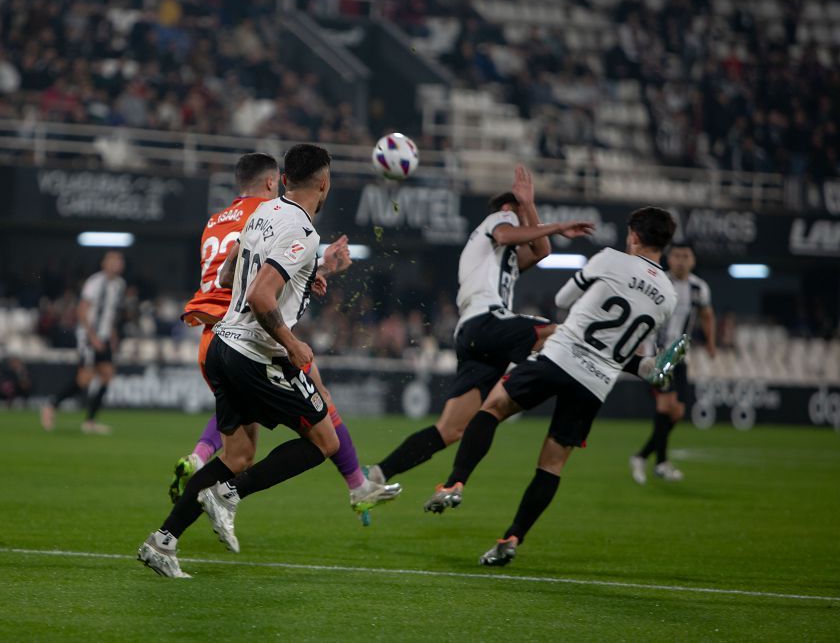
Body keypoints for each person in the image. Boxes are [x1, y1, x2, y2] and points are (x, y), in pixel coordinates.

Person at [423, 207, 684, 568]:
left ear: (634, 236)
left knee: (492, 409)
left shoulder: (611, 259)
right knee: (553, 464)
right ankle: (512, 538)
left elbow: (562, 300)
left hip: (559, 357)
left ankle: (455, 483)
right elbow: (633, 351)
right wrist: (648, 369)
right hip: (596, 382)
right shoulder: (669, 297)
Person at [137, 144, 348, 578]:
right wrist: (292, 343)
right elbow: (258, 294)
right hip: (257, 354)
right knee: (326, 441)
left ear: (285, 179)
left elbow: (229, 275)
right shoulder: (303, 231)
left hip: (220, 345)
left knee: (237, 454)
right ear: (324, 183)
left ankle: (162, 541)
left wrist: (307, 280)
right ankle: (228, 495)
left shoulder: (262, 214)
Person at [169, 152, 400, 524]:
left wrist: (313, 271)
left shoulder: (219, 220)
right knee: (315, 409)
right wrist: (317, 271)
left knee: (244, 441)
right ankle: (355, 485)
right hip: (246, 333)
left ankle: (188, 487)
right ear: (271, 182)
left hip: (215, 333)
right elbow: (261, 286)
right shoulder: (272, 213)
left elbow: (235, 272)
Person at [363, 165, 594, 491]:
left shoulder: (500, 258)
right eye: (517, 212)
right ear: (505, 210)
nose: (522, 220)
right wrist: (546, 221)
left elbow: (542, 250)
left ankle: (376, 476)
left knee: (451, 429)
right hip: (486, 320)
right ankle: (634, 365)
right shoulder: (497, 224)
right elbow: (507, 233)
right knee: (556, 332)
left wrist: (529, 205)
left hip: (474, 335)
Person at [630, 243, 715, 483]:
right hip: (656, 354)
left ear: (693, 260)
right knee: (666, 406)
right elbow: (640, 311)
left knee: (677, 412)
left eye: (685, 256)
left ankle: (643, 456)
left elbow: (707, 315)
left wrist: (711, 342)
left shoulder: (699, 288)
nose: (680, 260)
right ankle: (661, 463)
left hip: (680, 355)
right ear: (669, 258)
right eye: (677, 255)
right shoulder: (659, 281)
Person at [41, 251, 126, 434]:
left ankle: (90, 422)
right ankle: (51, 405)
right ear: (104, 263)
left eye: (119, 261)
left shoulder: (119, 285)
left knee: (107, 374)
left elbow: (111, 315)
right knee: (84, 380)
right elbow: (81, 311)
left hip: (103, 336)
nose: (116, 264)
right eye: (112, 260)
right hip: (88, 337)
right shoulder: (95, 282)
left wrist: (111, 336)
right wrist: (92, 337)